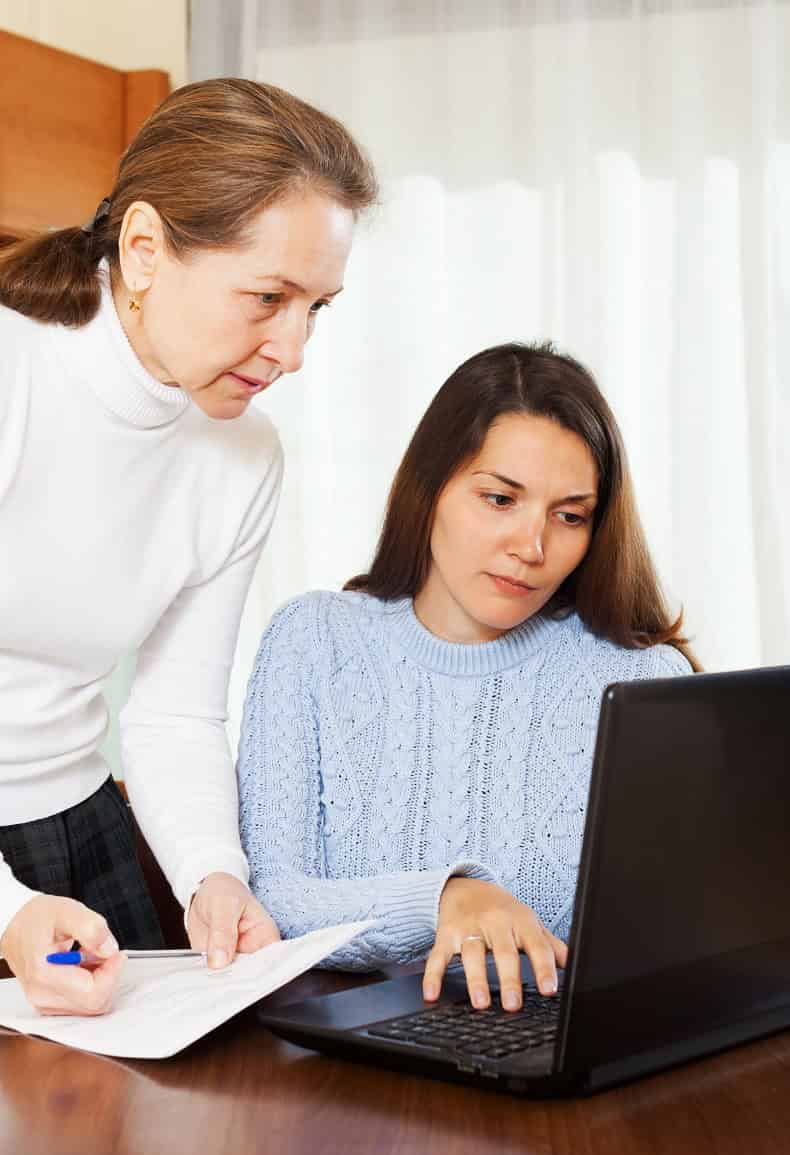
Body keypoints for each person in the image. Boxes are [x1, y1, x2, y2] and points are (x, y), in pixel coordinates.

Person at [0, 79, 377, 1016]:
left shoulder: (243, 456)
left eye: (316, 308)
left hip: (67, 839)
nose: (292, 349)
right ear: (143, 250)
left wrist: (212, 872)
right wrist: (3, 911)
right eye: (266, 297)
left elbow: (174, 717)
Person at [237, 342, 699, 1015]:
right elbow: (275, 897)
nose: (532, 546)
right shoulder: (313, 641)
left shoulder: (641, 678)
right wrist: (446, 897)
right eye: (500, 498)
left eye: (569, 515)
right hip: (346, 1066)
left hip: (553, 1065)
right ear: (430, 488)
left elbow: (673, 932)